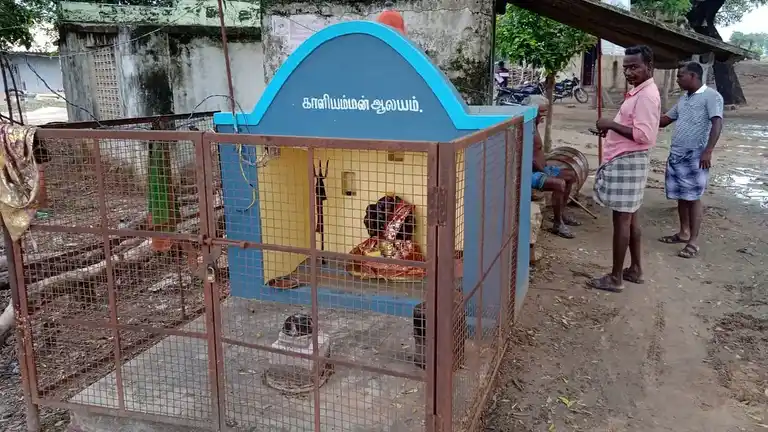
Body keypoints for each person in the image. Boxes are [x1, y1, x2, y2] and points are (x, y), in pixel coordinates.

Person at [589, 45, 660, 292]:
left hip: (628, 161)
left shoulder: (647, 96)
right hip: (627, 159)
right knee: (631, 219)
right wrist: (612, 127)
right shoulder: (639, 92)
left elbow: (644, 134)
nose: (629, 72)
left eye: (634, 67)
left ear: (649, 66)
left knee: (622, 220)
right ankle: (635, 269)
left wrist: (611, 124)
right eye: (627, 67)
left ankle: (616, 278)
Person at [658, 62, 723, 258]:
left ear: (693, 76)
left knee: (693, 197)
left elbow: (717, 123)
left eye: (681, 76)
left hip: (696, 154)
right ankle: (683, 232)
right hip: (677, 154)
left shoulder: (711, 97)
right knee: (681, 195)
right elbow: (665, 120)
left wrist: (708, 151)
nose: (678, 80)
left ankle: (693, 242)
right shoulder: (684, 99)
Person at [529, 95, 581, 239]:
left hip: (541, 168)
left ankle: (561, 213)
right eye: (541, 112)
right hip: (529, 173)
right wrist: (542, 170)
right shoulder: (525, 127)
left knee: (570, 175)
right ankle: (558, 224)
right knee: (559, 184)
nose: (544, 115)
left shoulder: (533, 124)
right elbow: (527, 156)